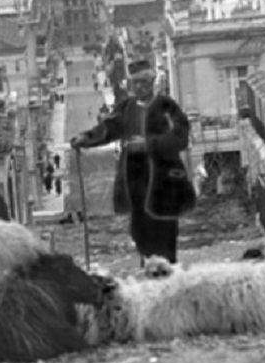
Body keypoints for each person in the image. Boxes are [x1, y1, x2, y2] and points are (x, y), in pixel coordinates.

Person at [70, 59, 196, 266]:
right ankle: (148, 268)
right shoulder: (127, 108)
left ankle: (168, 272)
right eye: (135, 82)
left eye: (143, 82)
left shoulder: (167, 107)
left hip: (163, 179)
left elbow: (181, 138)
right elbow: (108, 128)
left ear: (152, 82)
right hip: (134, 179)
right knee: (140, 230)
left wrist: (148, 144)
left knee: (164, 229)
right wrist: (87, 138)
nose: (139, 87)